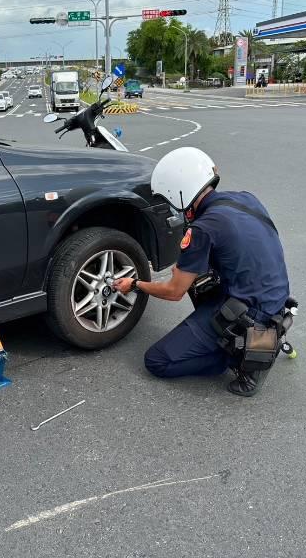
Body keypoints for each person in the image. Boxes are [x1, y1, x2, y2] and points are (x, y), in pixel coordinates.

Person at [113, 148, 290, 397]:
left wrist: (135, 284)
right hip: (276, 301)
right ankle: (255, 342)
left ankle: (238, 357)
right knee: (199, 281)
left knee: (157, 361)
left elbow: (174, 292)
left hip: (249, 314)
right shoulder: (247, 199)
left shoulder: (202, 230)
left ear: (180, 193)